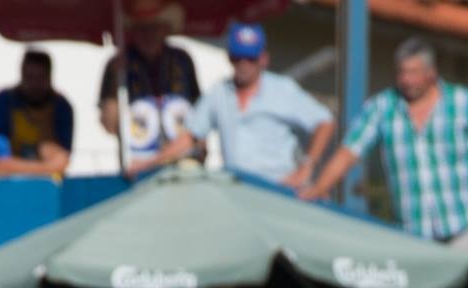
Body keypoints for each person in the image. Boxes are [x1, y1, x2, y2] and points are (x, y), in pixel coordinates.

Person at [303, 39, 468, 256]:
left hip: (464, 227)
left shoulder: (462, 102)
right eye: (401, 72)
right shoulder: (382, 107)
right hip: (411, 233)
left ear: (431, 73)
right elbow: (349, 151)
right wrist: (320, 187)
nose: (405, 80)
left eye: (413, 73)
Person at [141, 23, 333, 187]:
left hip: (278, 188)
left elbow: (325, 122)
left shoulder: (283, 89)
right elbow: (190, 137)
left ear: (264, 59)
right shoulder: (219, 92)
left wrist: (307, 166)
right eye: (237, 57)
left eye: (250, 58)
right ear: (229, 57)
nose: (243, 64)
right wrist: (149, 164)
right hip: (236, 190)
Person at [98, 0, 200, 173]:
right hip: (138, 165)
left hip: (183, 161)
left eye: (154, 27)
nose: (148, 34)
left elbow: (199, 111)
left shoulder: (182, 60)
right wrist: (116, 78)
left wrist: (201, 146)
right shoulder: (116, 65)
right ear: (132, 31)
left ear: (165, 28)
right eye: (141, 28)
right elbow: (109, 125)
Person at [0, 49, 72, 176]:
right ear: (22, 74)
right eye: (30, 77)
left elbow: (62, 161)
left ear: (49, 77)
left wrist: (51, 164)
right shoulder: (1, 103)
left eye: (41, 78)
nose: (35, 84)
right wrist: (47, 168)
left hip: (42, 189)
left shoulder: (62, 108)